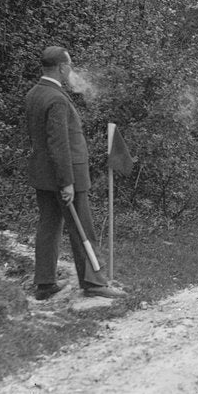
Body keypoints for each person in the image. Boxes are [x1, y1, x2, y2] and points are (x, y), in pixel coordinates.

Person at [25, 46, 125, 300]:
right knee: (83, 229)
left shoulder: (35, 93)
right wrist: (67, 182)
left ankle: (45, 283)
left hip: (43, 176)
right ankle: (93, 283)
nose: (71, 70)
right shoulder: (56, 98)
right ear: (61, 67)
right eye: (69, 65)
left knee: (48, 226)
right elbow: (59, 144)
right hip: (66, 176)